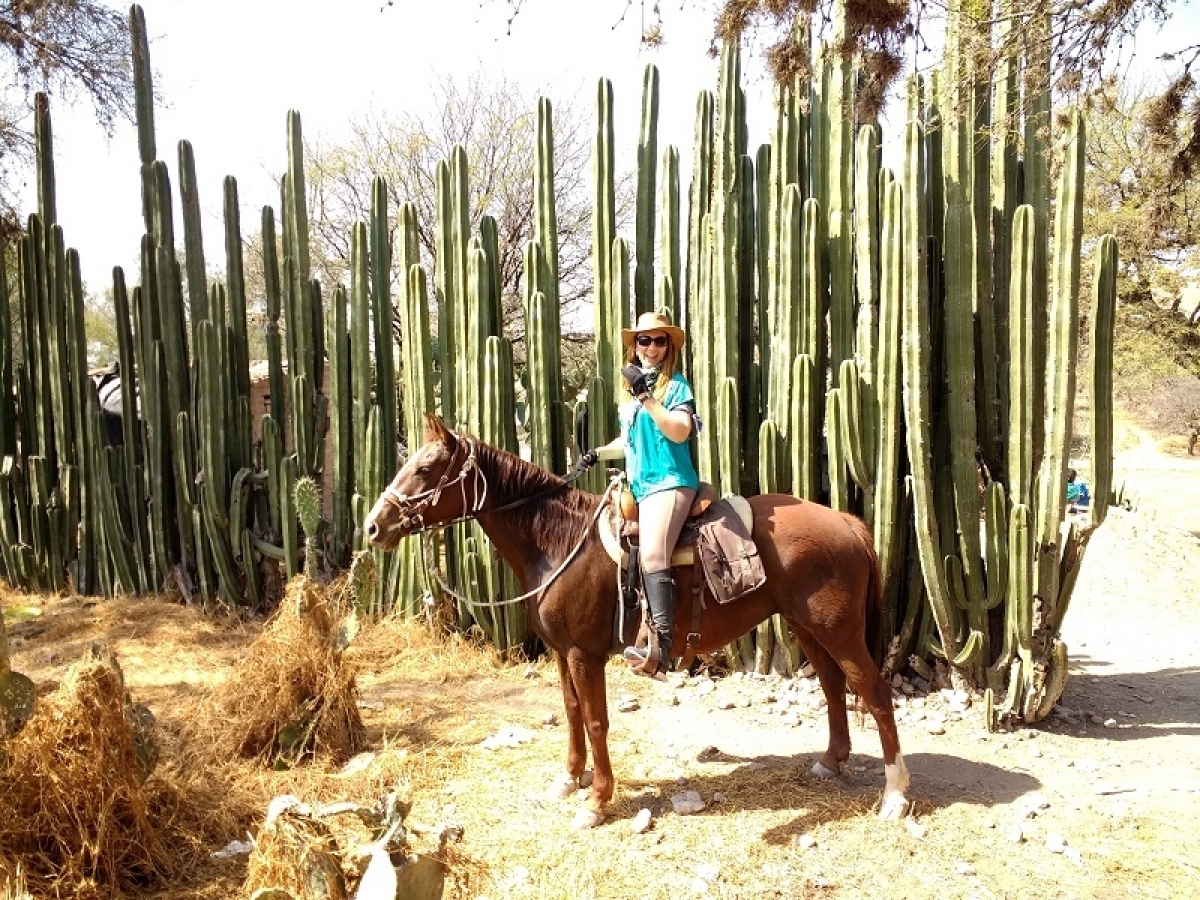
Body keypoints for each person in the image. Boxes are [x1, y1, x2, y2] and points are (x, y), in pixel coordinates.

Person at [575, 311, 700, 679]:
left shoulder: (676, 388)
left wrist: (646, 396)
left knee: (653, 553)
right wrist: (598, 453)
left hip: (670, 482)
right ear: (635, 346)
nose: (651, 347)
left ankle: (661, 650)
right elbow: (629, 441)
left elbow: (679, 431)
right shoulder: (630, 397)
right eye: (644, 340)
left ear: (668, 347)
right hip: (642, 487)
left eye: (660, 340)